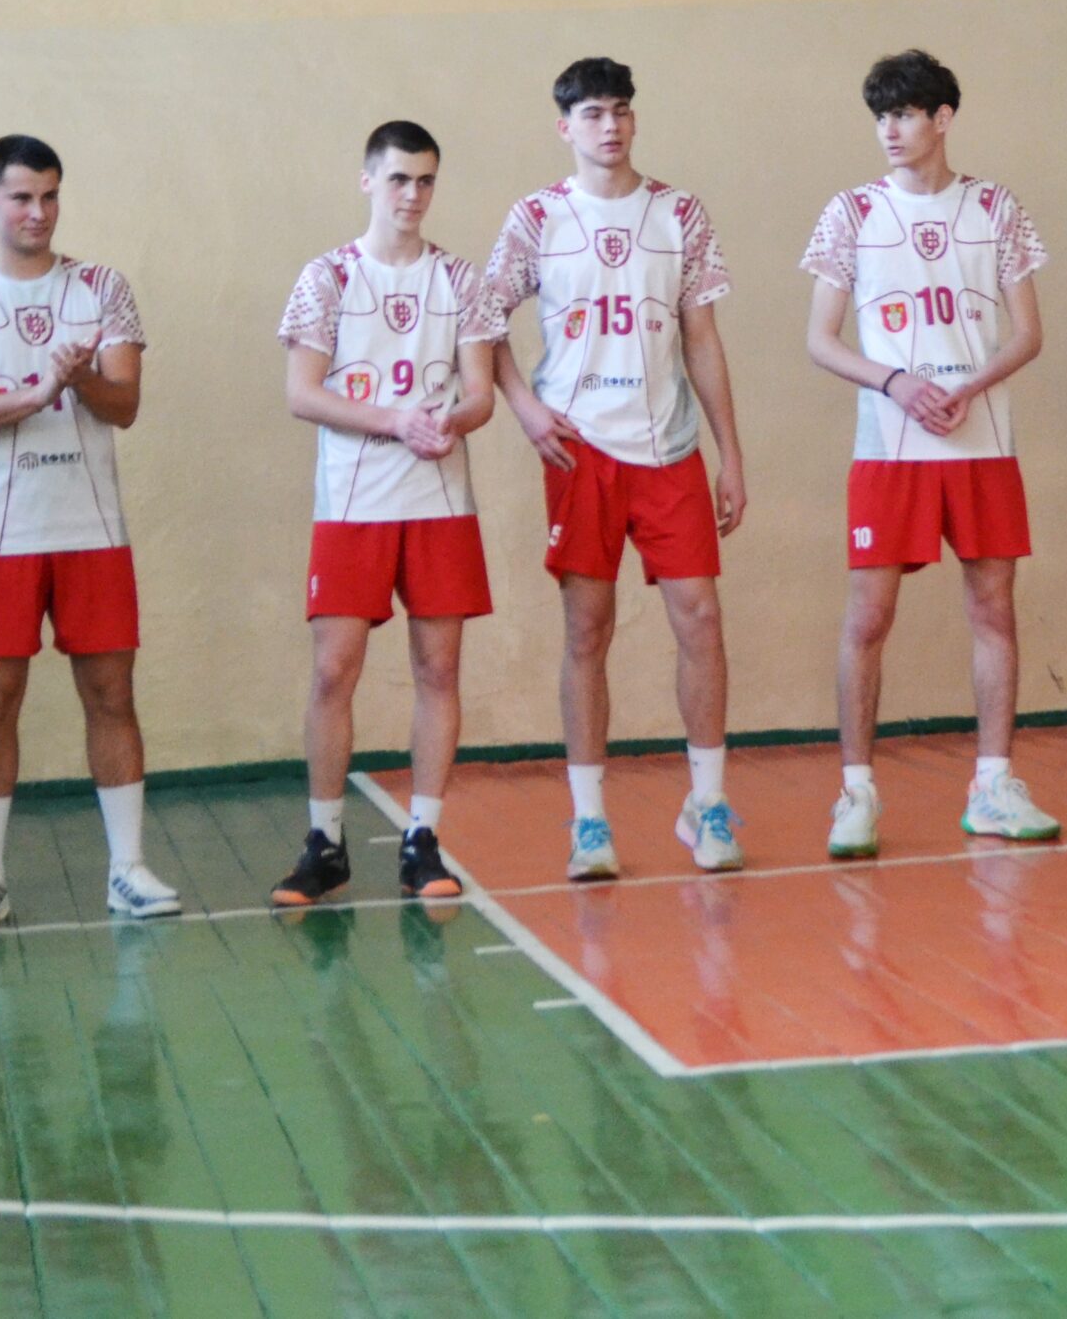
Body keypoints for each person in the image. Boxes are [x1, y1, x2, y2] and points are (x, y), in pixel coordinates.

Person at [467, 58, 749, 881]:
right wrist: (524, 406)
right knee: (587, 630)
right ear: (566, 127)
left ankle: (708, 802)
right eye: (593, 113)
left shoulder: (678, 213)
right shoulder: (538, 216)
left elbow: (702, 338)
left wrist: (731, 453)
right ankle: (589, 819)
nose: (610, 126)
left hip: (668, 450)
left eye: (621, 110)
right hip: (579, 450)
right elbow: (484, 318)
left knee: (700, 618)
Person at [0, 134, 181, 929]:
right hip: (0, 536)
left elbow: (125, 405)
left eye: (50, 196)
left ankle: (127, 870)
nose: (38, 212)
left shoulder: (102, 287)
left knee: (112, 694)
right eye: (22, 197)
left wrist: (81, 377)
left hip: (92, 531)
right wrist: (37, 393)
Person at [801, 49, 1053, 857]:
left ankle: (993, 786)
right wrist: (896, 382)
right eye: (882, 116)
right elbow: (821, 339)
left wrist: (969, 386)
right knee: (868, 618)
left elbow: (1028, 333)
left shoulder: (995, 207)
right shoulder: (852, 212)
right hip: (891, 448)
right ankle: (856, 793)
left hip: (983, 444)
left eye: (905, 114)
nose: (890, 130)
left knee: (993, 610)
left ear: (942, 119)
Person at [270, 121, 496, 906]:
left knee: (438, 670)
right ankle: (324, 842)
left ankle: (422, 839)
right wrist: (394, 421)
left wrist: (449, 420)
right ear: (368, 180)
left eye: (426, 180)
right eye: (399, 178)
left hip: (439, 504)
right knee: (334, 671)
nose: (413, 194)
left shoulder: (459, 278)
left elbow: (480, 394)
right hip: (353, 504)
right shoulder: (328, 277)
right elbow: (302, 393)